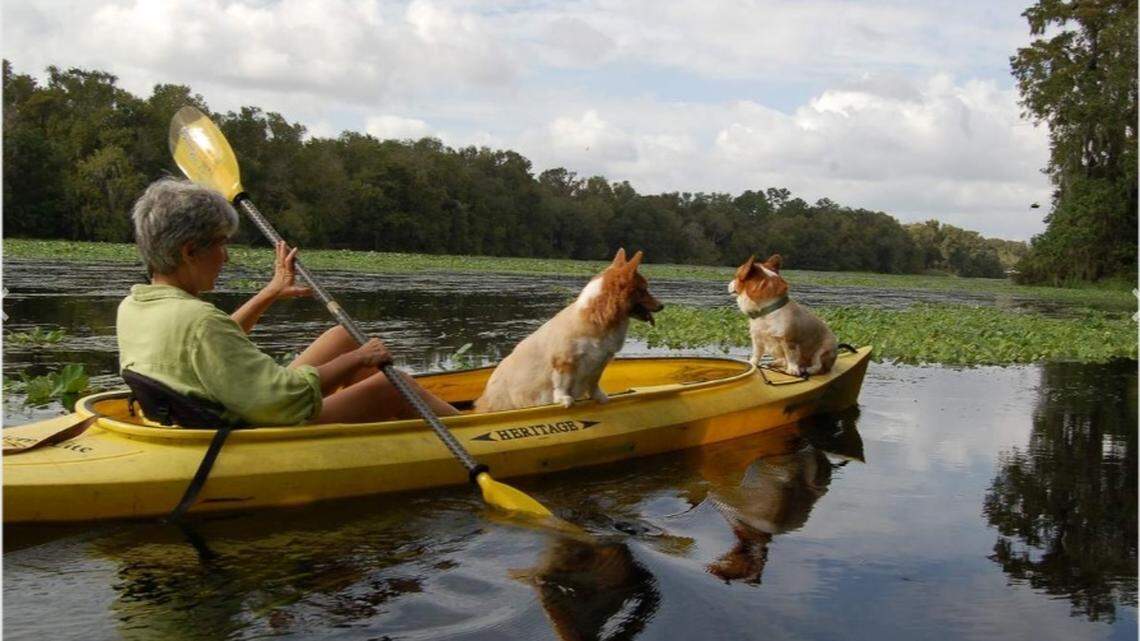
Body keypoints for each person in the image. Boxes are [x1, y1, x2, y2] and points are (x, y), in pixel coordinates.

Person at [116, 177, 459, 426]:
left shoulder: (135, 305)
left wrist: (270, 292)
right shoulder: (199, 322)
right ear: (190, 251)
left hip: (222, 403)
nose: (226, 257)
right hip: (256, 426)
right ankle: (472, 431)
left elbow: (210, 345)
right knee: (393, 386)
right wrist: (360, 358)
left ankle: (392, 429)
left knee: (341, 337)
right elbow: (280, 399)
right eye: (221, 244)